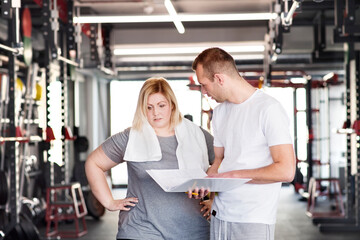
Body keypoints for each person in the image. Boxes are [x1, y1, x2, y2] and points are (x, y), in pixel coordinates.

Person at [85, 77, 214, 240]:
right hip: (141, 229)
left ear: (172, 105)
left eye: (161, 105)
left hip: (192, 231)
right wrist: (109, 202)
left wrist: (212, 199)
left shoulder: (197, 135)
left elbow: (223, 163)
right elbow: (93, 163)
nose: (156, 113)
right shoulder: (130, 137)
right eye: (149, 107)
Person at [191, 47, 296, 240]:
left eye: (205, 85)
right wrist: (206, 193)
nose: (204, 92)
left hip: (252, 220)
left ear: (220, 79)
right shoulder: (220, 113)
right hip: (219, 215)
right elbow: (219, 162)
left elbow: (287, 171)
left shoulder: (269, 109)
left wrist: (233, 176)